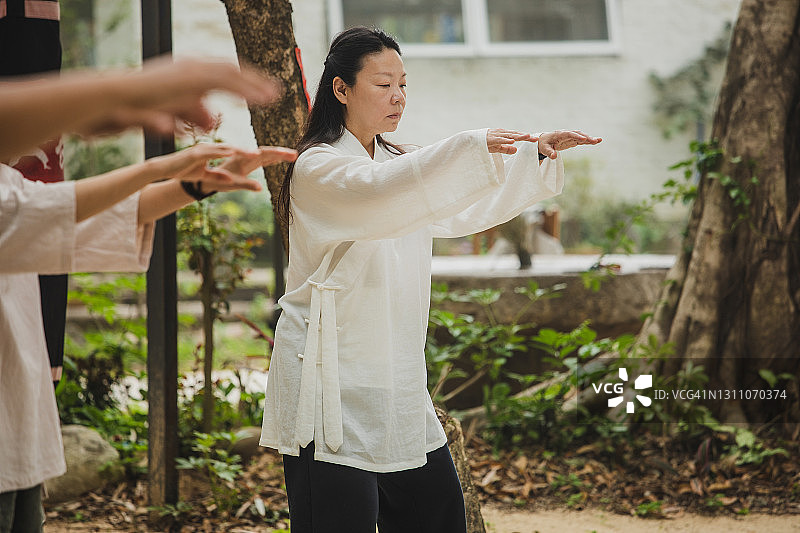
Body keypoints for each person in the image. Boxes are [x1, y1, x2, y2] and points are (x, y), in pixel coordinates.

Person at [259, 26, 601, 533]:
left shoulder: (396, 164)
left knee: (438, 518)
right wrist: (470, 145)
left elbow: (459, 205)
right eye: (382, 85)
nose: (397, 97)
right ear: (341, 89)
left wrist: (536, 154)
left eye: (403, 84)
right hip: (329, 381)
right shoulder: (320, 167)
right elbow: (384, 190)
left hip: (395, 379)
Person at [0, 60, 296, 533]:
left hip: (18, 431)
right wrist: (133, 117)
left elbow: (81, 223)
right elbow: (42, 214)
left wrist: (190, 184)